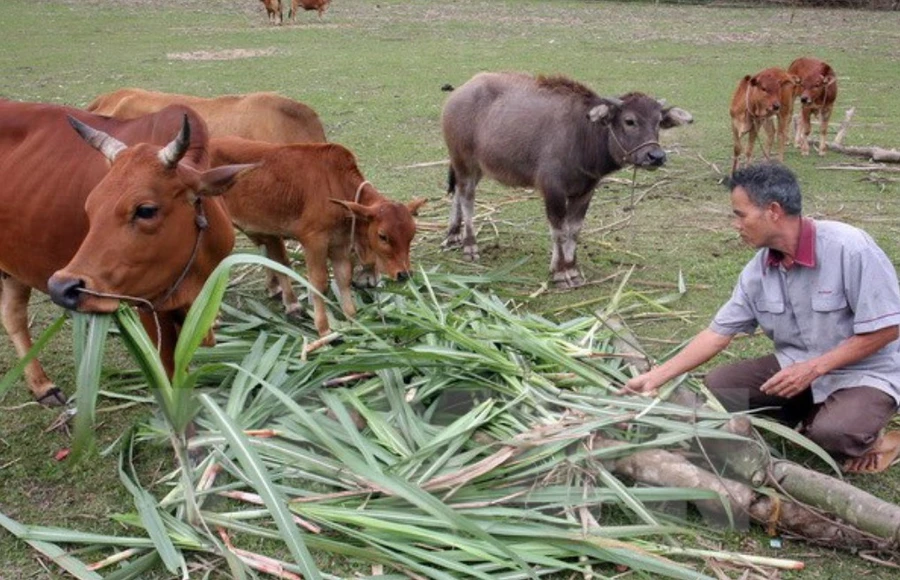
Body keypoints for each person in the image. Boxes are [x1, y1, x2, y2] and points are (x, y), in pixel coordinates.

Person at [623, 163, 900, 474]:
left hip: (864, 371)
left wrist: (814, 368)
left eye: (740, 214)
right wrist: (656, 377)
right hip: (798, 365)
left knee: (833, 434)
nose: (735, 224)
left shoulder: (850, 248)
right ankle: (815, 415)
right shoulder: (758, 270)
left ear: (773, 211)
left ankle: (871, 435)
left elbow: (888, 329)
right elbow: (718, 333)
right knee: (721, 387)